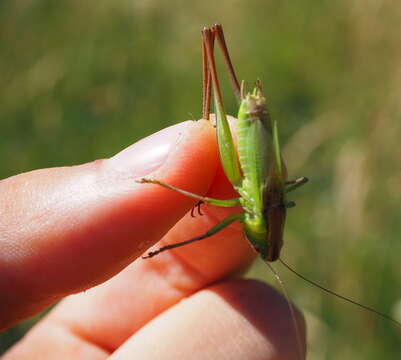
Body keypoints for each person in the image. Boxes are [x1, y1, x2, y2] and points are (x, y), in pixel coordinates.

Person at [1, 119, 305, 359]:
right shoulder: (254, 215)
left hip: (256, 167)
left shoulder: (255, 216)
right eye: (258, 244)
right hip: (254, 156)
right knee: (204, 136)